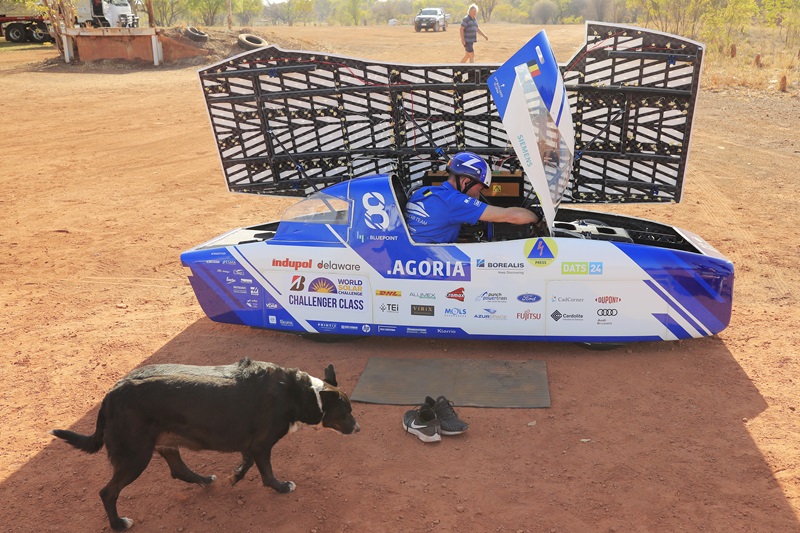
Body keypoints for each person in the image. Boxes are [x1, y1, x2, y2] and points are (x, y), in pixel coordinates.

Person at [405, 152, 540, 243]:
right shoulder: (454, 201)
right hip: (432, 264)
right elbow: (510, 216)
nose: (478, 195)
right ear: (466, 182)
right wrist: (537, 218)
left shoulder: (423, 191)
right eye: (479, 189)